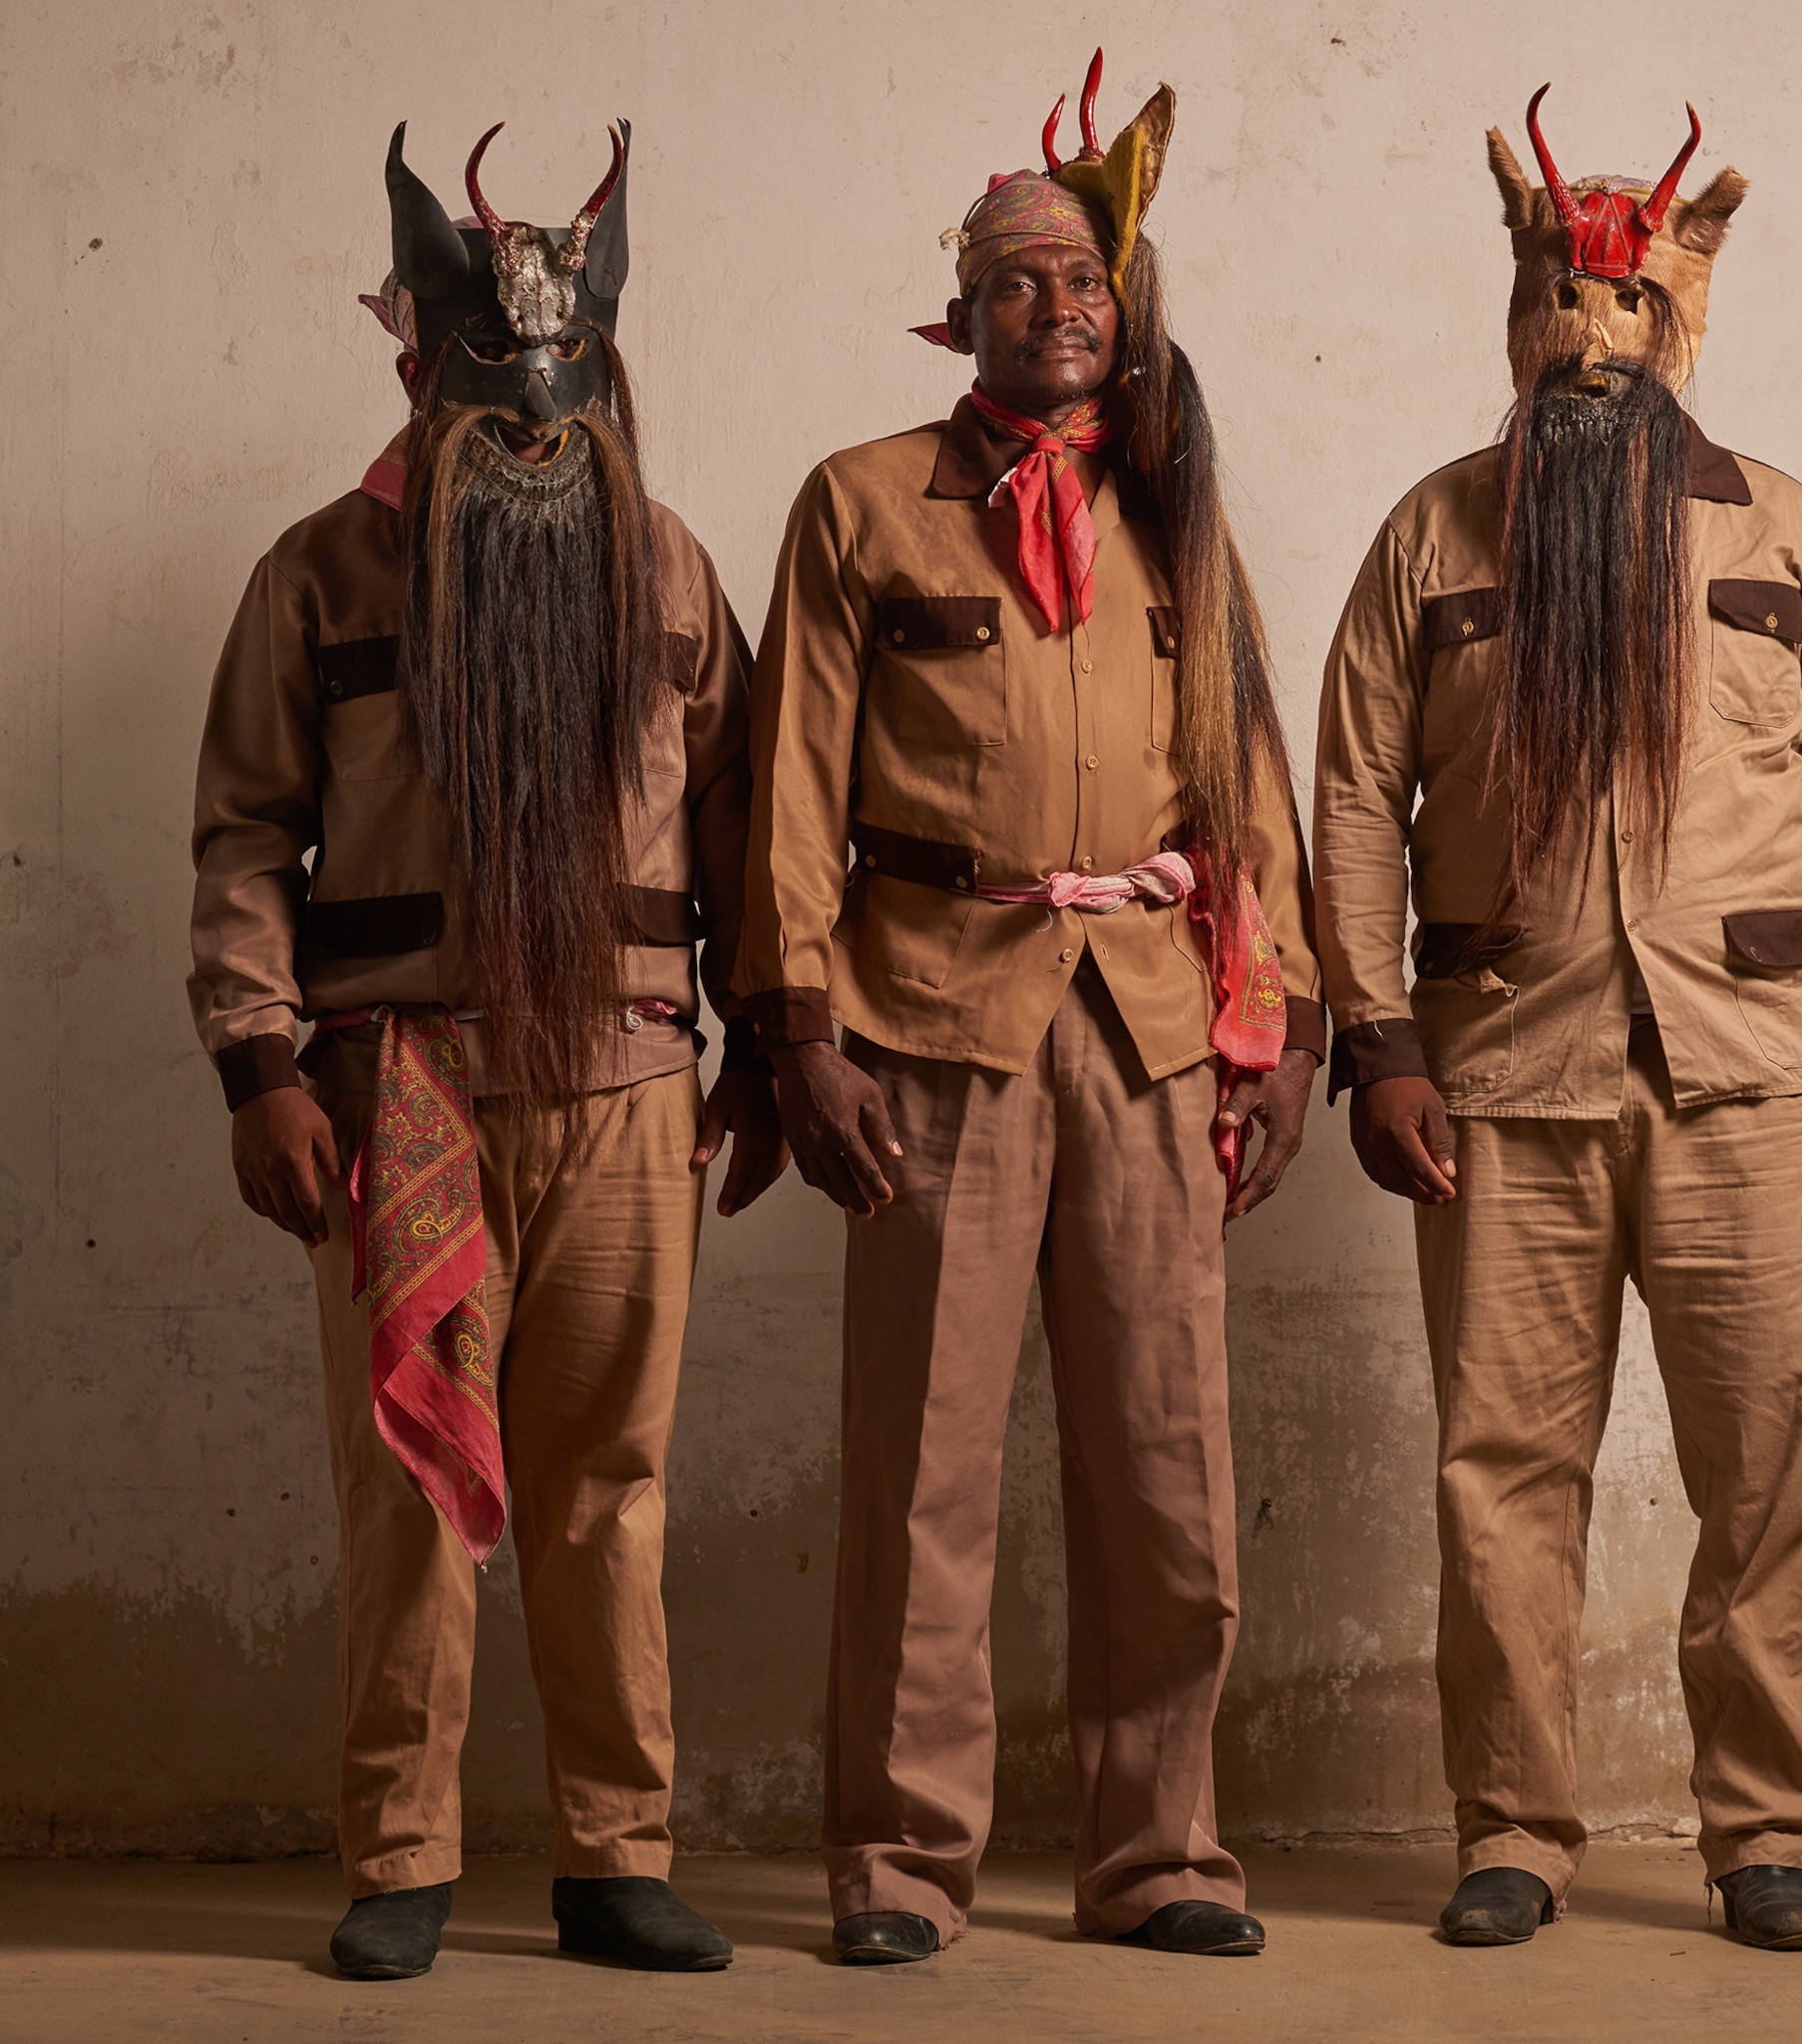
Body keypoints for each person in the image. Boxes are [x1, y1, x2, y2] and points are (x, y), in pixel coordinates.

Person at [1312, 94, 1802, 1954]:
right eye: (1557, 307)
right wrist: (1378, 1039)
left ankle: (1766, 1833)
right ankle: (1512, 1826)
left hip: (1755, 1074)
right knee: (1500, 1470)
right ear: (1516, 313)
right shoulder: (1429, 542)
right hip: (1504, 1076)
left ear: (1685, 319)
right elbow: (1355, 796)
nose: (1593, 343)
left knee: (1774, 1459)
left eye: (1630, 312)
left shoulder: (1785, 530)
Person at [735, 52, 1323, 1965]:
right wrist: (794, 1026)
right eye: (1015, 284)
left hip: (1149, 1027)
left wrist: (1287, 1020)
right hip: (931, 1019)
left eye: (1084, 285)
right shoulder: (862, 508)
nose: (1055, 312)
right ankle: (903, 1864)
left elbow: (1245, 781)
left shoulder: (1178, 510)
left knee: (1167, 1456)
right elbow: (793, 786)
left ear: (1122, 308)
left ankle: (1160, 1854)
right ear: (960, 308)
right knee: (925, 1469)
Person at [185, 117, 781, 1980]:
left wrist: (756, 1051)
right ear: (414, 365)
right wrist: (261, 1065)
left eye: (567, 383)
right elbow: (240, 834)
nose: (531, 418)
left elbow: (757, 820)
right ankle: (405, 1856)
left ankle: (615, 1854)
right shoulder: (317, 577)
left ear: (607, 377)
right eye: (488, 380)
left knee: (610, 1481)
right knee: (409, 1488)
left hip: (625, 1086)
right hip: (406, 1090)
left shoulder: (671, 569)